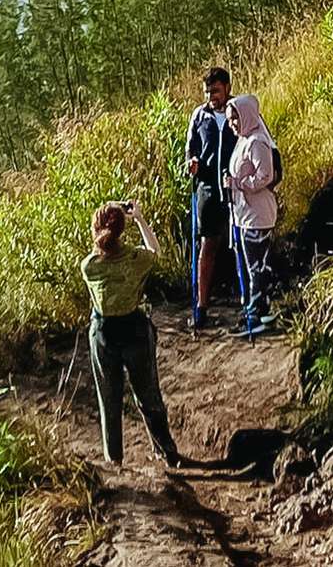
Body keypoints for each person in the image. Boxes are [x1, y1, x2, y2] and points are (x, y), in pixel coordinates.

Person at [80, 200, 185, 468]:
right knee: (148, 395)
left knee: (109, 401)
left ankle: (114, 461)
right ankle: (167, 452)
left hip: (103, 334)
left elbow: (101, 251)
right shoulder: (136, 260)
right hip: (135, 331)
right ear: (122, 229)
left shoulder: (89, 267)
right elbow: (155, 250)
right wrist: (139, 217)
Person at [183, 67, 235, 329]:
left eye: (215, 90)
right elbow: (191, 147)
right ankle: (202, 306)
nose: (211, 96)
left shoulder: (237, 111)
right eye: (207, 92)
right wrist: (191, 161)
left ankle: (250, 300)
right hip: (207, 189)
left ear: (227, 87)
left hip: (236, 187)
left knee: (241, 242)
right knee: (207, 244)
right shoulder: (199, 115)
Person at [224, 94, 279, 336]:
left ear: (246, 115)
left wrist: (239, 183)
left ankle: (256, 315)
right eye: (229, 119)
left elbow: (265, 176)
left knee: (257, 268)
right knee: (252, 267)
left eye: (235, 118)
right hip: (244, 214)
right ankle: (257, 311)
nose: (232, 123)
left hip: (257, 215)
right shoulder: (243, 140)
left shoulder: (257, 141)